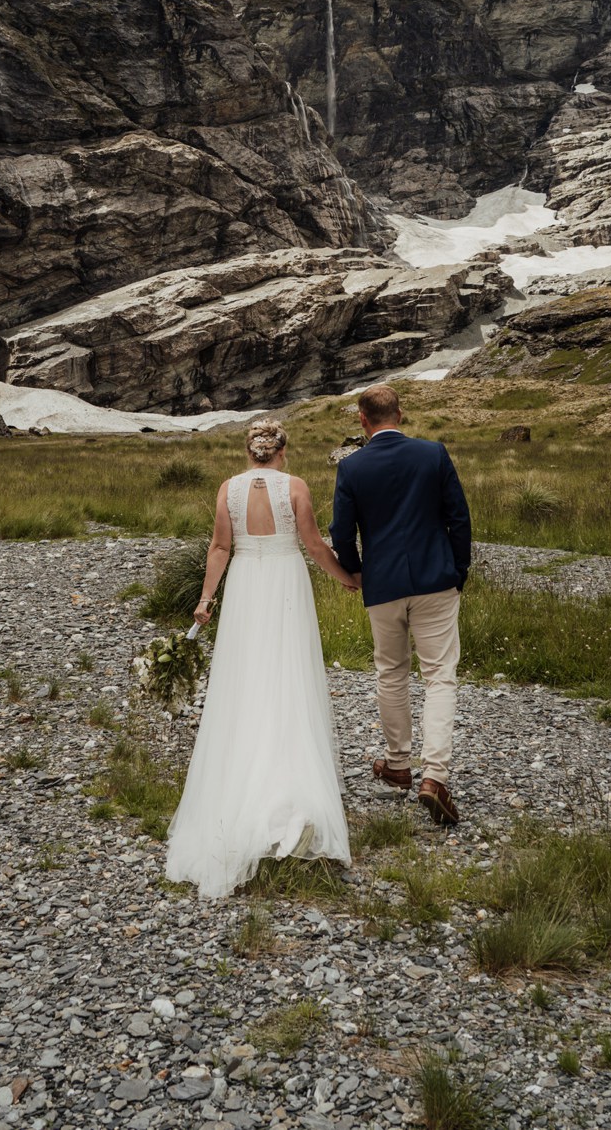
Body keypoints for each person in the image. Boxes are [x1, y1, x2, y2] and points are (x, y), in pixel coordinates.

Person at [164, 417, 359, 898]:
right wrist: (347, 579)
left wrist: (206, 600)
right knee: (288, 677)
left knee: (246, 680)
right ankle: (290, 791)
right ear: (281, 450)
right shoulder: (294, 486)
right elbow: (313, 544)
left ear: (250, 450)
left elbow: (220, 547)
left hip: (248, 585)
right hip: (285, 584)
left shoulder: (227, 489)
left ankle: (241, 781)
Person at [330, 384, 471, 827]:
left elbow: (340, 530)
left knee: (391, 672)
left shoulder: (351, 467)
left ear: (361, 418)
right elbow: (459, 517)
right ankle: (434, 776)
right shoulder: (433, 453)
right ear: (400, 414)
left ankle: (397, 764)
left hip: (383, 584)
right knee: (440, 677)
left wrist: (355, 573)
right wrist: (457, 571)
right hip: (436, 580)